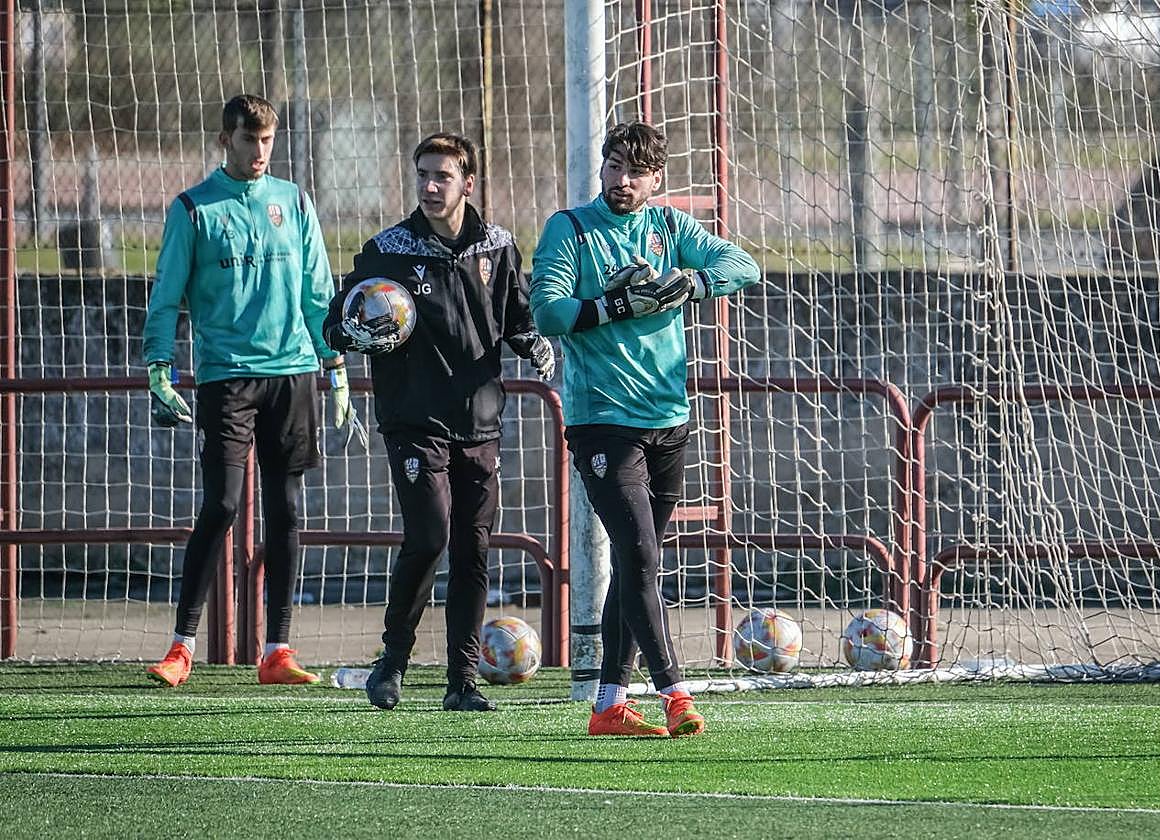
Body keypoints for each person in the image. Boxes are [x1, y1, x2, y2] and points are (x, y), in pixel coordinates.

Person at [530, 122, 760, 737]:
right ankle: (675, 692)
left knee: (636, 568)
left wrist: (697, 280)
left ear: (656, 180)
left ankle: (608, 706)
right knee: (640, 555)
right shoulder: (570, 228)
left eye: (635, 171)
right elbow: (547, 311)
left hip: (668, 420)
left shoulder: (669, 228)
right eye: (613, 166)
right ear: (601, 169)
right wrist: (611, 306)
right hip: (602, 421)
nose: (622, 180)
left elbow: (745, 265)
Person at [323, 132, 554, 713]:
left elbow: (515, 318)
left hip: (479, 423)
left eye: (442, 176)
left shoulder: (498, 247)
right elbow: (337, 322)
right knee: (429, 536)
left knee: (473, 550)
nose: (429, 185)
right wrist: (351, 331)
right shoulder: (388, 250)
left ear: (467, 183)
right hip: (414, 421)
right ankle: (392, 662)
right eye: (422, 174)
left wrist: (535, 346)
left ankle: (462, 683)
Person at [143, 94, 362, 687]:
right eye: (249, 140)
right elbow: (167, 293)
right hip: (226, 377)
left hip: (293, 374)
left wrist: (334, 364)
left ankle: (277, 650)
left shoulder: (293, 201)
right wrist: (158, 366)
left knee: (287, 508)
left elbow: (319, 289)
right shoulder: (193, 209)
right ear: (226, 141)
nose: (260, 151)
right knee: (221, 504)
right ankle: (182, 647)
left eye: (267, 141)